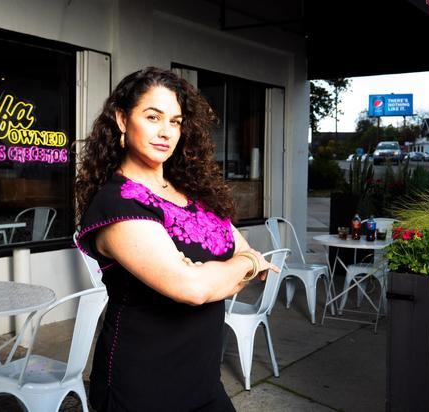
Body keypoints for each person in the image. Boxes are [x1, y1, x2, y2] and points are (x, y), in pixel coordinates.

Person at [75, 67, 278, 412]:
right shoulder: (118, 202)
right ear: (122, 119)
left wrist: (222, 268)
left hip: (202, 378)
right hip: (142, 385)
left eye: (175, 121)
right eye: (153, 117)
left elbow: (236, 246)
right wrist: (244, 265)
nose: (166, 132)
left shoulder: (193, 193)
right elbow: (195, 288)